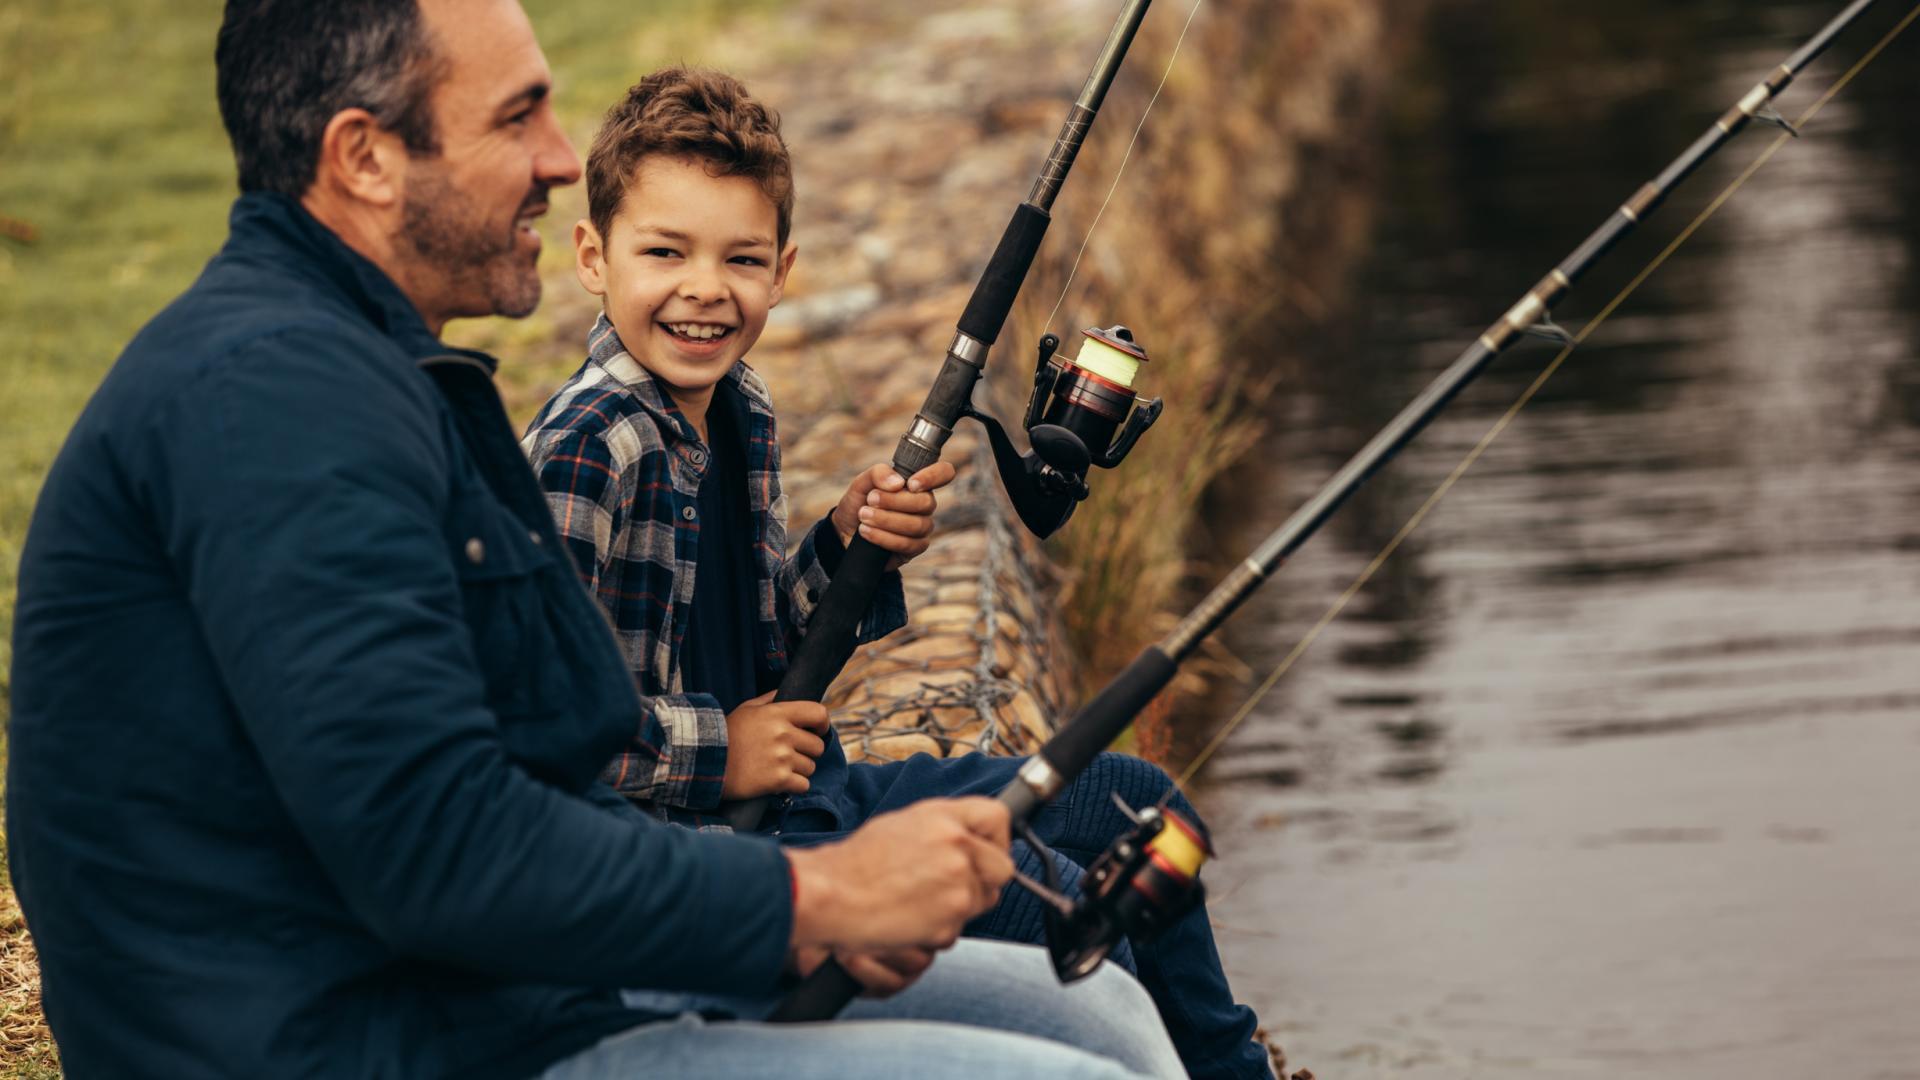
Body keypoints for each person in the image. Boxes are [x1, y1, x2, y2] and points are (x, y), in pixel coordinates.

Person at [2, 2, 1186, 1078]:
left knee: (1104, 1023)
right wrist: (811, 894)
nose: (562, 160)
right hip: (367, 1040)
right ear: (365, 158)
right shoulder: (277, 405)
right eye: (519, 118)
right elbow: (440, 843)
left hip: (502, 989)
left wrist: (773, 886)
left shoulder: (368, 373)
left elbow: (533, 759)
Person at [521, 67, 1272, 1079]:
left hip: (809, 801)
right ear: (592, 258)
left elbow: (765, 642)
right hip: (701, 863)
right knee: (1043, 893)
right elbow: (542, 731)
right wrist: (720, 751)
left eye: (741, 258)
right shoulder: (585, 451)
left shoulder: (738, 404)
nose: (705, 288)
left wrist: (846, 543)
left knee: (1142, 810)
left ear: (782, 271)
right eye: (665, 252)